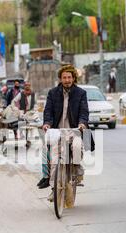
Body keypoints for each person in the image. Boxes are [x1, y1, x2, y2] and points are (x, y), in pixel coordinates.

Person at [40, 65, 89, 196]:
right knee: (55, 161)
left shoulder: (81, 93)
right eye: (64, 77)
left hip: (74, 130)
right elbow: (48, 111)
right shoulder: (53, 93)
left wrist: (82, 124)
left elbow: (84, 112)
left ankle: (77, 167)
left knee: (77, 147)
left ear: (73, 78)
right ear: (60, 79)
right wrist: (47, 124)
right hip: (57, 131)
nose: (67, 80)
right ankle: (54, 189)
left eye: (69, 77)